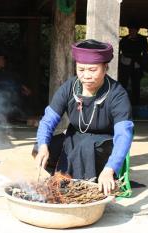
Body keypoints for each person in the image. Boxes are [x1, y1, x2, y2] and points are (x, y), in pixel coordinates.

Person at [34, 39, 134, 195]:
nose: (86, 75)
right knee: (43, 146)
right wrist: (42, 146)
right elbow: (48, 120)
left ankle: (96, 178)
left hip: (104, 144)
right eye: (81, 69)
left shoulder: (117, 94)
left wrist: (110, 168)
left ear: (105, 68)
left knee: (84, 146)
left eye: (92, 70)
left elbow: (124, 134)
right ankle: (66, 177)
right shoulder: (69, 88)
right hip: (74, 138)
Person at [119, 21, 148, 106]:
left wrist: (143, 62)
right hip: (125, 62)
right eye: (130, 30)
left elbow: (145, 51)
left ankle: (135, 103)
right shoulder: (124, 40)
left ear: (137, 30)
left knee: (136, 84)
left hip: (137, 62)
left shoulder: (142, 39)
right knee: (123, 83)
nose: (131, 31)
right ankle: (121, 102)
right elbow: (119, 51)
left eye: (133, 30)